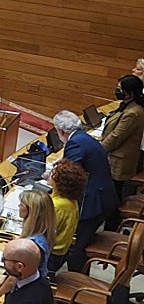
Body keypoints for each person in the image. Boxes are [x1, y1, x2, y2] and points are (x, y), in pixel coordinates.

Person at [53, 110, 117, 274]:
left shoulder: (75, 143)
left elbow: (69, 176)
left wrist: (51, 175)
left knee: (75, 246)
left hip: (93, 202)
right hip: (104, 196)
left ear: (61, 131)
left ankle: (77, 285)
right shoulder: (83, 138)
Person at [98, 74, 144, 217]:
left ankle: (111, 225)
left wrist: (97, 150)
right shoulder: (127, 106)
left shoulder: (134, 112)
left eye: (120, 89)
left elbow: (116, 137)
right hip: (116, 157)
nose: (117, 91)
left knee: (114, 196)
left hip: (120, 161)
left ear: (129, 93)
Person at [47, 159, 86, 276]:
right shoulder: (69, 199)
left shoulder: (59, 205)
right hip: (59, 252)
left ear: (61, 182)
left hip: (50, 256)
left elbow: (44, 231)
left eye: (53, 174)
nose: (49, 175)